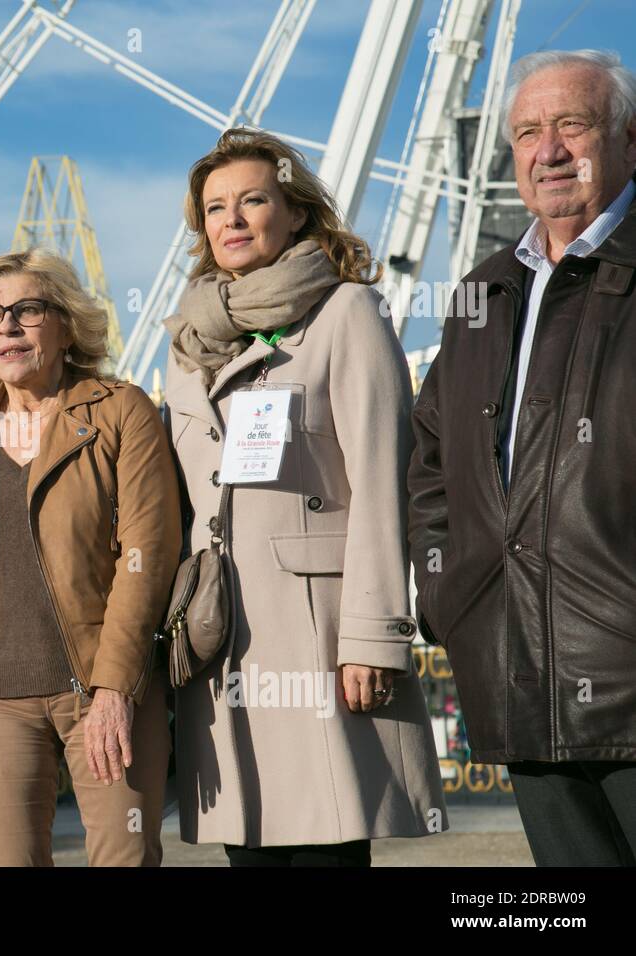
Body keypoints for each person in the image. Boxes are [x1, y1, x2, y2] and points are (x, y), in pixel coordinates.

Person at [165, 128, 446, 867]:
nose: (231, 218)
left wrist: (373, 638)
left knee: (326, 843)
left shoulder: (348, 314)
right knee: (250, 851)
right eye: (215, 207)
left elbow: (387, 486)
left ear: (293, 212)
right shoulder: (188, 343)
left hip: (318, 638)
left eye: (252, 200)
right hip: (222, 637)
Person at [409, 50, 636, 866]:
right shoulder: (482, 294)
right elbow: (430, 459)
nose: (549, 150)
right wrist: (453, 597)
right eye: (528, 133)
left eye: (572, 125)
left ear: (629, 139)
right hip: (519, 668)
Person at [0, 249, 180, 866]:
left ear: (66, 324)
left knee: (125, 859)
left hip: (104, 687)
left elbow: (149, 551)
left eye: (27, 310)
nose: (6, 327)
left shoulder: (122, 411)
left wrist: (115, 685)